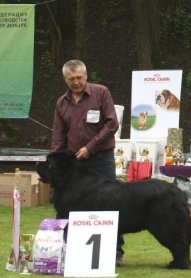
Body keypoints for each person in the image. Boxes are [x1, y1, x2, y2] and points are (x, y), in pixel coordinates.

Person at [50, 59, 125, 266]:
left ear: (86, 75)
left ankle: (116, 251)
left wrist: (90, 147)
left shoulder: (101, 93)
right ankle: (77, 248)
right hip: (75, 162)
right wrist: (56, 160)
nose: (76, 82)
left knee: (110, 202)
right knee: (74, 204)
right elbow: (58, 134)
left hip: (101, 158)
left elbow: (112, 124)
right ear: (65, 79)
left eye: (79, 77)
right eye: (71, 79)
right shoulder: (61, 103)